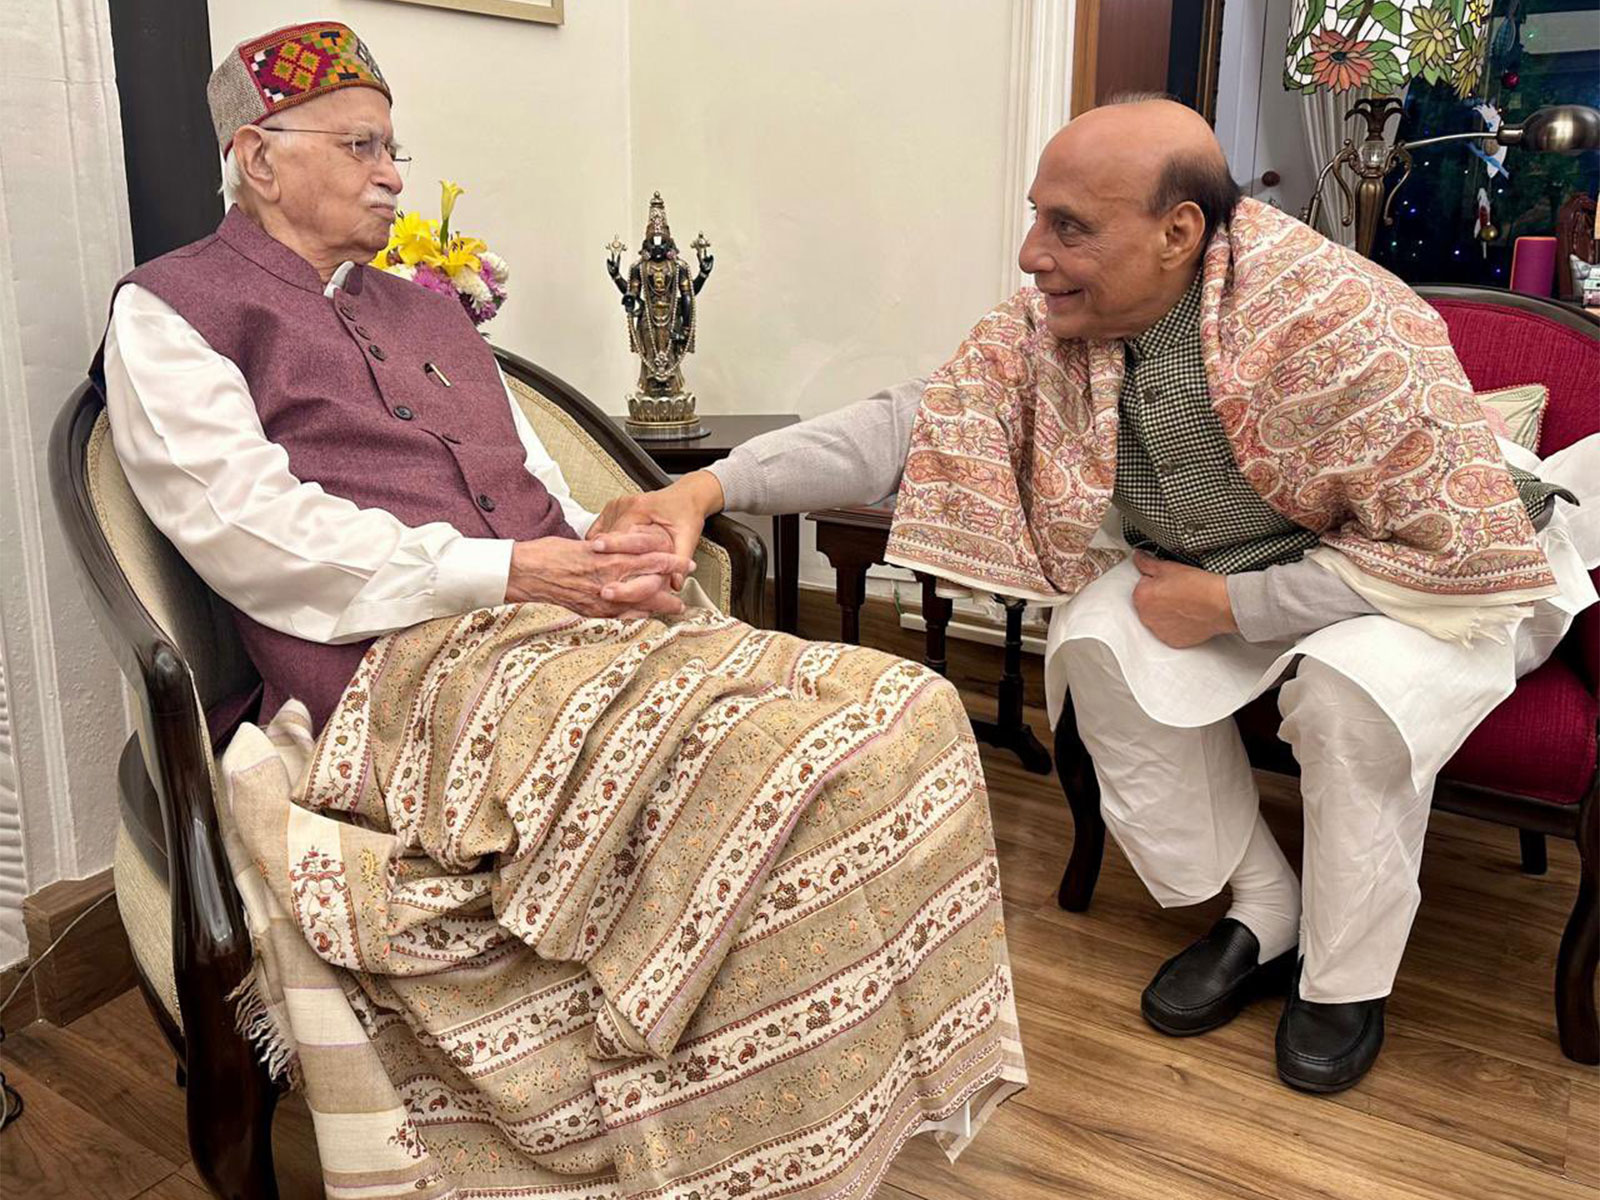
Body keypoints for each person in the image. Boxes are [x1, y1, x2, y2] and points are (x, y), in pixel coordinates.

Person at [92, 22, 1025, 1197]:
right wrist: (516, 574)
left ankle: (798, 1112)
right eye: (363, 145)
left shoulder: (430, 310)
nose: (394, 172)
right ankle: (700, 1138)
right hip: (402, 669)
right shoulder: (174, 312)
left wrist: (612, 548)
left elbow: (533, 476)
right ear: (259, 156)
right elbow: (258, 543)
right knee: (761, 768)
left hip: (560, 627)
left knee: (903, 710)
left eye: (397, 147)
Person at [592, 96, 1597, 1095]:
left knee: (1348, 698)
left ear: (1178, 233)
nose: (1031, 253)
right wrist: (706, 487)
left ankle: (1342, 981)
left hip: (1437, 576)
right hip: (1241, 561)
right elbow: (912, 421)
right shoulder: (1058, 322)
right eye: (1036, 216)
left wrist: (1228, 612)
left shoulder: (1343, 323)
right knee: (1098, 639)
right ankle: (1262, 905)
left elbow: (1447, 548)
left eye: (1067, 226)